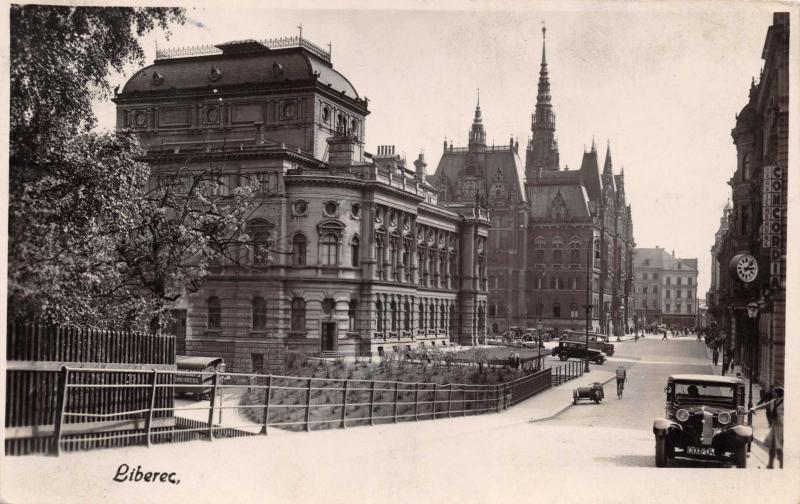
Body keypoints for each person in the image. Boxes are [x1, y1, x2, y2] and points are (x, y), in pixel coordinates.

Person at [750, 386, 784, 469]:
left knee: (778, 447)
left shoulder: (786, 403)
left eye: (774, 392)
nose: (773, 393)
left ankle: (782, 465)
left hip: (782, 427)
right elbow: (764, 405)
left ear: (778, 394)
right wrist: (754, 408)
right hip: (774, 426)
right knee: (772, 446)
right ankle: (770, 464)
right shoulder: (773, 401)